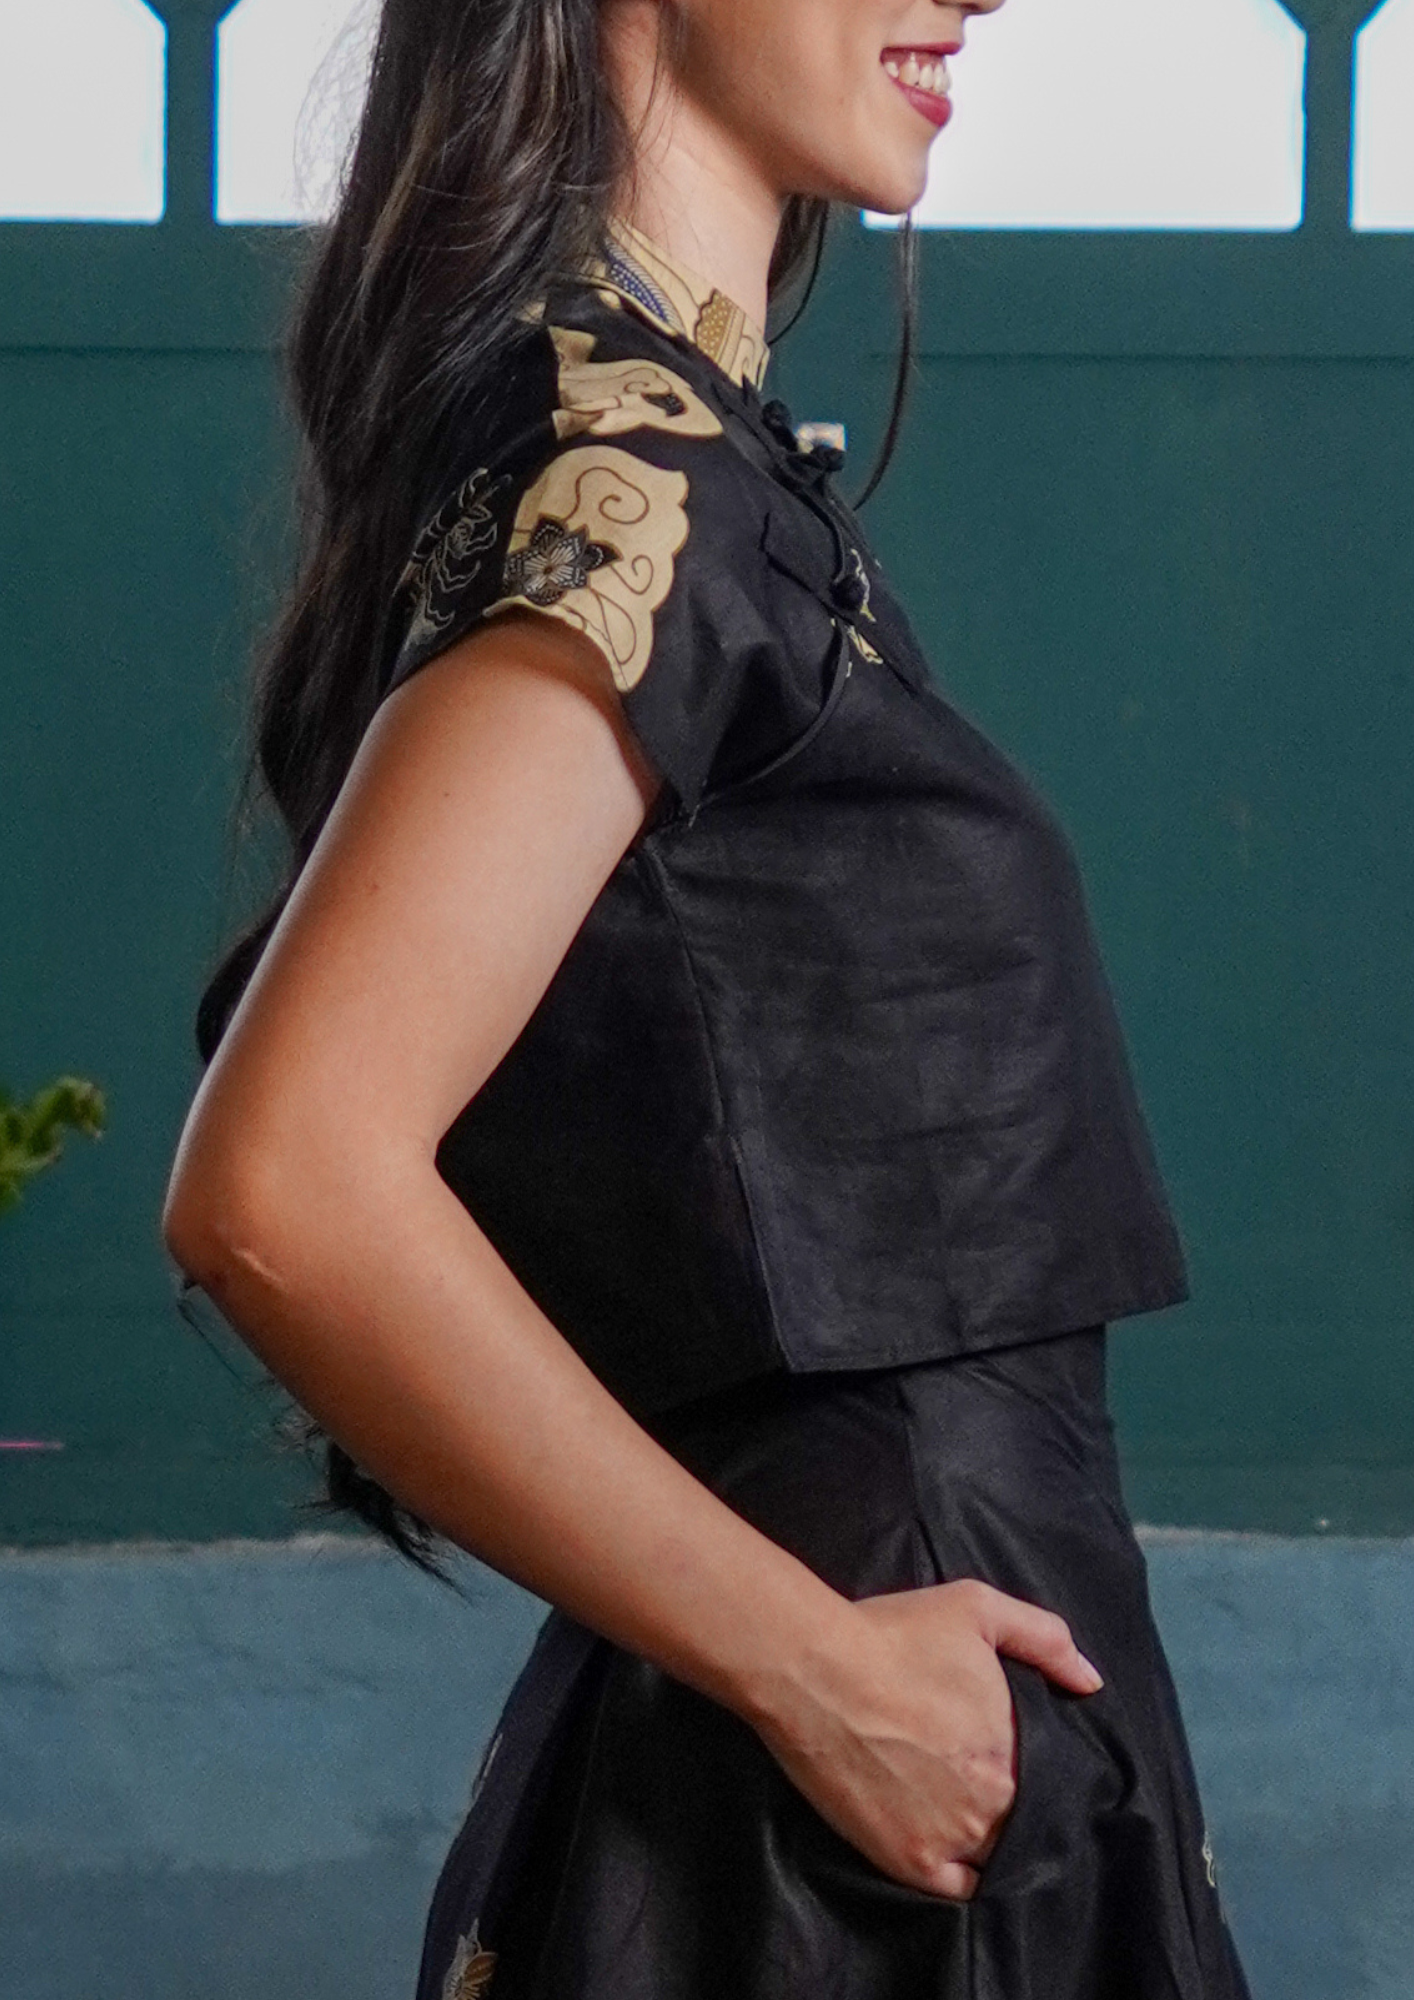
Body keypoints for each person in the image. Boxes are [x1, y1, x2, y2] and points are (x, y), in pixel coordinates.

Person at [163, 2, 1255, 1995]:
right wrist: (817, 1671)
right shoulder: (629, 476)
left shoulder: (693, 466)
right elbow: (286, 1186)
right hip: (840, 1804)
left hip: (883, 1765)